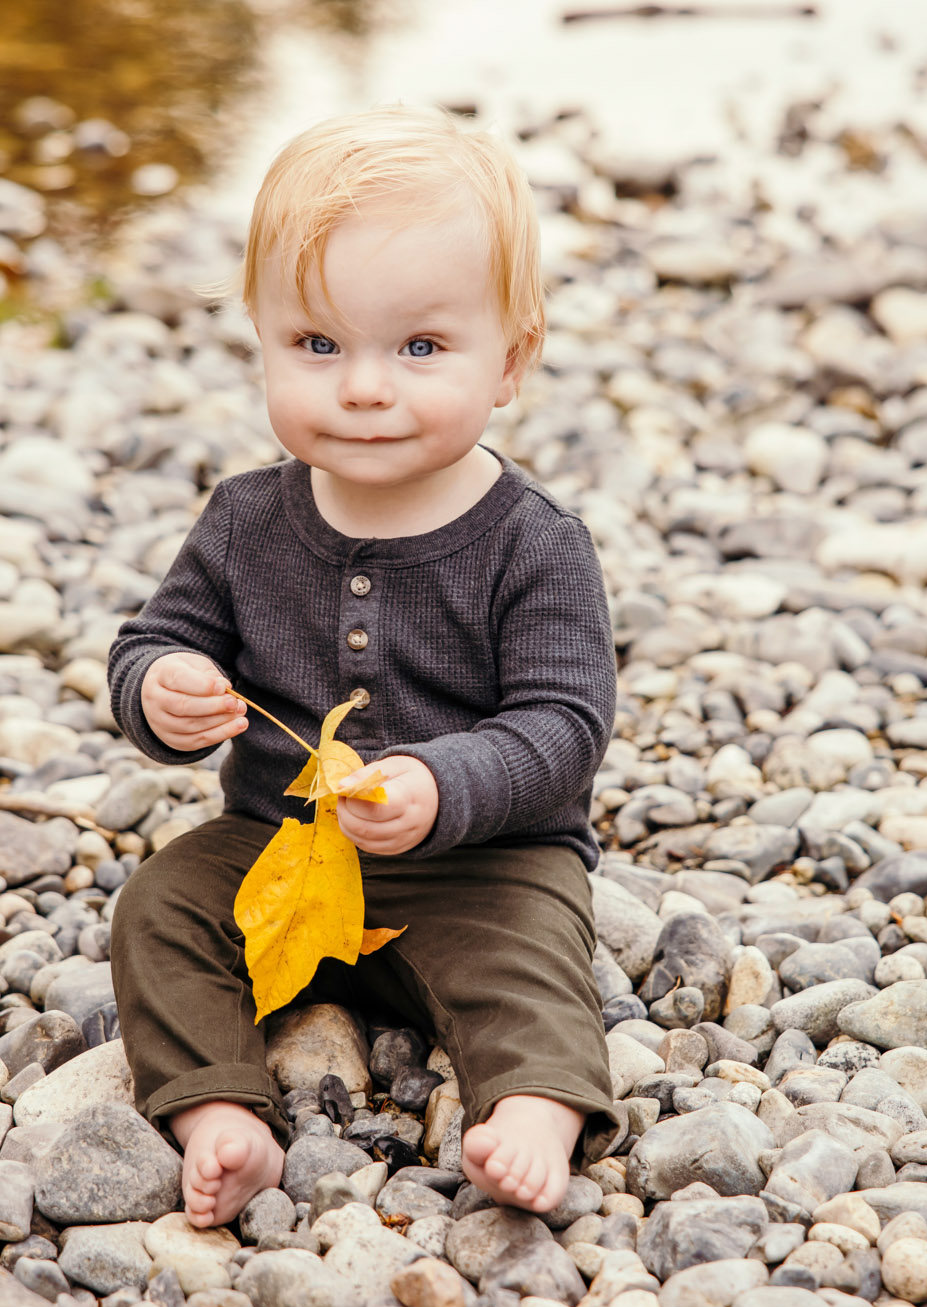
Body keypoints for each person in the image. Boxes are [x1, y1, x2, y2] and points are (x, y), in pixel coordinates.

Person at [105, 105, 620, 1229]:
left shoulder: (533, 541)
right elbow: (152, 640)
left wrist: (446, 784)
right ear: (261, 338)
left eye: (420, 348)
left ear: (510, 362)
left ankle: (534, 1107)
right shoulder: (244, 520)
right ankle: (219, 1114)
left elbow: (564, 721)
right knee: (157, 907)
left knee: (528, 960)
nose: (364, 387)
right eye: (317, 345)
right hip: (282, 848)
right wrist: (162, 690)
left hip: (482, 859)